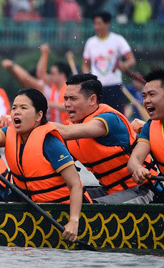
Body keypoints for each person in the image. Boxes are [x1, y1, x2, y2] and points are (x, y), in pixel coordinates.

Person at [0, 89, 83, 242]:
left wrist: (74, 220)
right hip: (29, 205)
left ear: (38, 116)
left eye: (23, 108)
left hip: (60, 210)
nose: (16, 112)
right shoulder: (9, 133)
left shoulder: (50, 142)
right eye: (14, 108)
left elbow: (75, 185)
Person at [55, 74, 157, 203]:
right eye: (66, 99)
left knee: (92, 208)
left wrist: (35, 124)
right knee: (61, 198)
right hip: (110, 190)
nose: (66, 104)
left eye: (73, 99)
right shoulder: (73, 129)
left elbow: (65, 131)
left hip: (143, 189)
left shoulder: (108, 119)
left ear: (92, 100)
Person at [82, 11, 136, 114]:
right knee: (97, 117)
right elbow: (85, 64)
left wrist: (124, 65)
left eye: (99, 23)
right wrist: (87, 77)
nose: (96, 27)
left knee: (117, 116)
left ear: (107, 24)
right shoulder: (90, 42)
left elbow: (131, 60)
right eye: (94, 23)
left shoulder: (117, 40)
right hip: (97, 87)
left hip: (114, 85)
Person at [1, 44, 70, 124]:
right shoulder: (53, 88)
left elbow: (68, 107)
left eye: (52, 73)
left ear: (62, 75)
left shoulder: (69, 89)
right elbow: (40, 74)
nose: (49, 76)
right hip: (56, 126)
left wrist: (49, 104)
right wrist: (45, 54)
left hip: (67, 127)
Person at [128, 69, 164, 203]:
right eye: (144, 96)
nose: (146, 101)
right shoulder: (150, 127)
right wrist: (138, 169)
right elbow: (134, 160)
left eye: (152, 95)